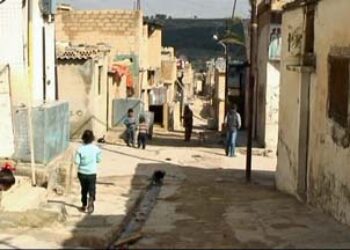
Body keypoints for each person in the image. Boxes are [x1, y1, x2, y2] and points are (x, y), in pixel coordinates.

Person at [75, 130, 102, 214]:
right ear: (92, 139)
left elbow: (77, 162)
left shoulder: (79, 149)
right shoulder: (96, 149)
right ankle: (91, 199)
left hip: (82, 173)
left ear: (83, 138)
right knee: (92, 188)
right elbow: (99, 160)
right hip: (92, 173)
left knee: (84, 189)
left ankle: (84, 205)